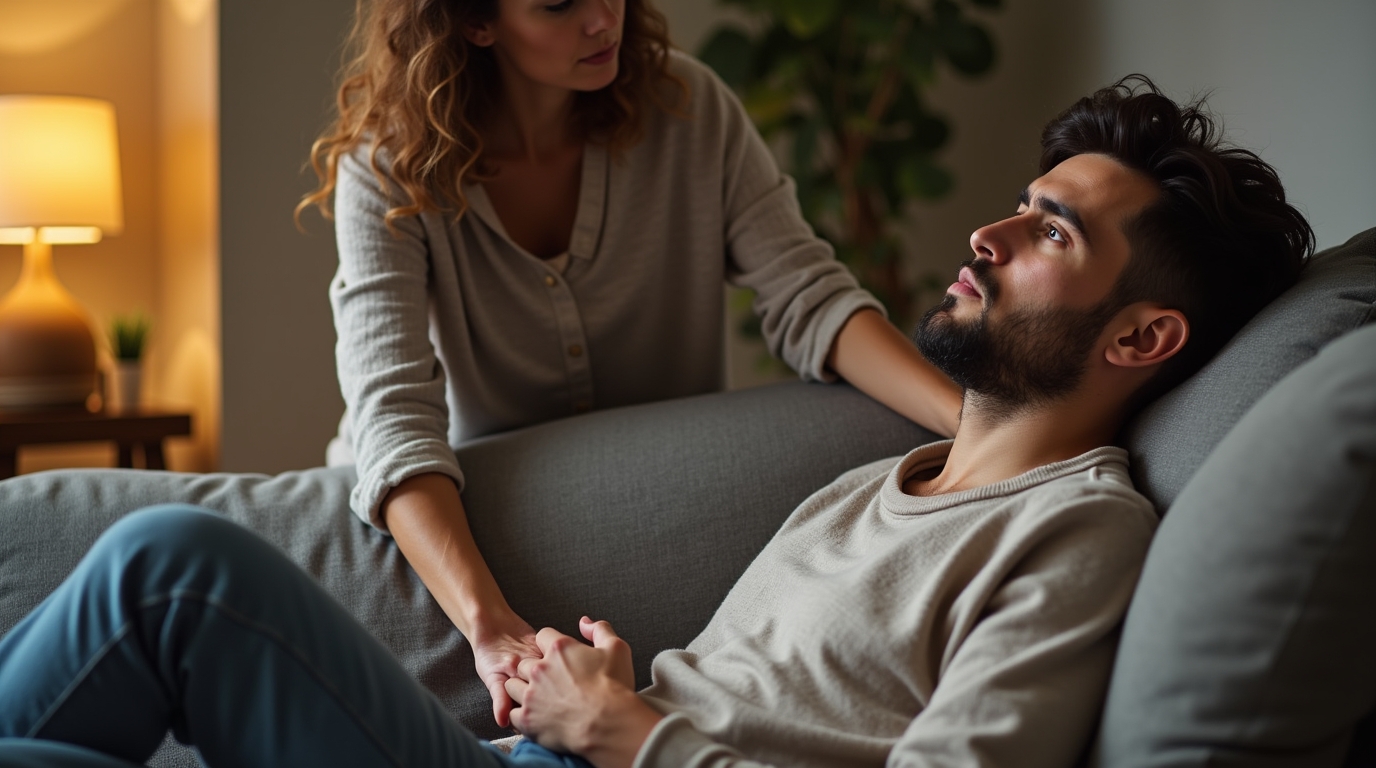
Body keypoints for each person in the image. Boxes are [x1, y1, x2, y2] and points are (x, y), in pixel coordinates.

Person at [0, 76, 1313, 768]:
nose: (990, 228)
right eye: (1023, 201)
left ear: (1142, 341)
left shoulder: (1076, 539)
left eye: (1052, 233)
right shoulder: (882, 486)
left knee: (166, 570)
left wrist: (632, 736)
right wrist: (615, 698)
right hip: (529, 749)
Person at [300, 0, 962, 730]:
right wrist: (489, 628)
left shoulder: (690, 108)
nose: (601, 18)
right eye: (559, 4)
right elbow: (394, 424)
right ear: (473, 21)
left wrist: (973, 422)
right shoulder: (388, 169)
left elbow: (812, 297)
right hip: (433, 528)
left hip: (655, 514)